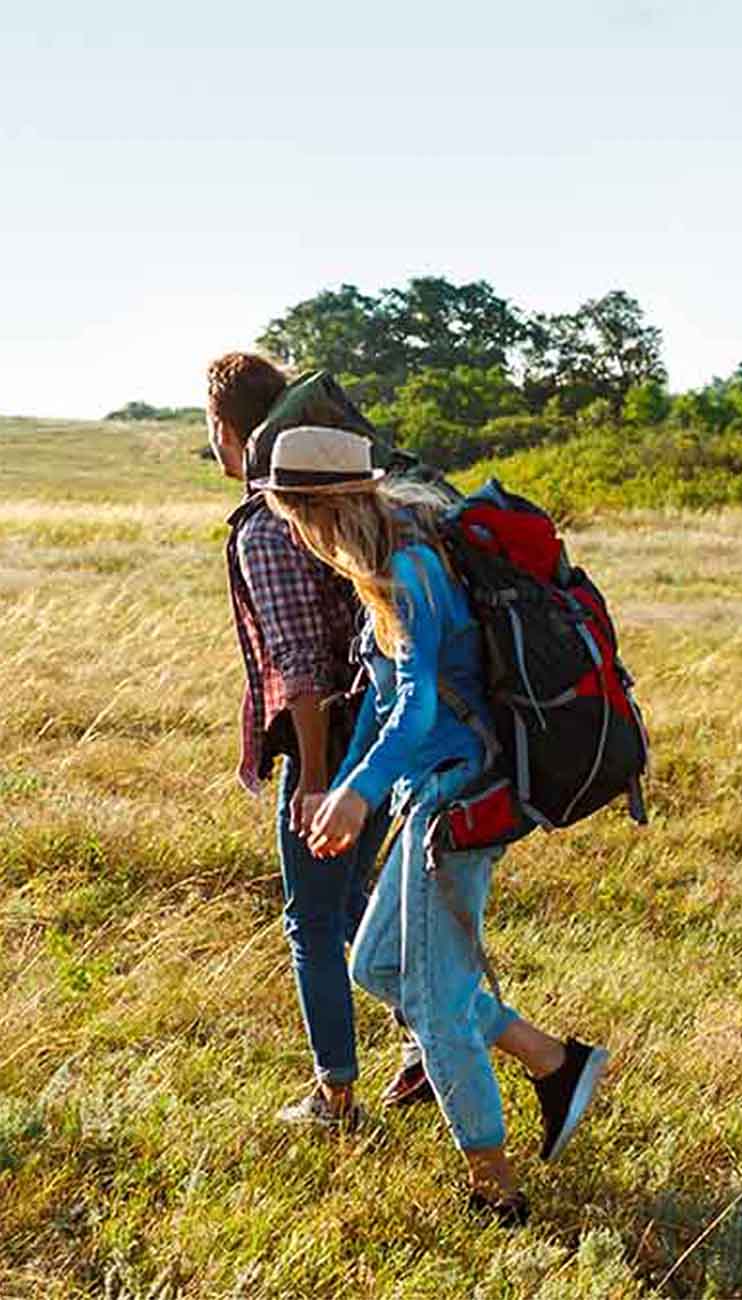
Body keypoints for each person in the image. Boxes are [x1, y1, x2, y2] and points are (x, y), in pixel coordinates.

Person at [257, 423, 608, 1224]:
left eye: (292, 518)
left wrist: (361, 793)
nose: (295, 536)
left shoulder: (409, 566)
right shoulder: (384, 559)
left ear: (319, 511)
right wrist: (343, 784)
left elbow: (417, 707)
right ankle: (551, 1060)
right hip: (432, 791)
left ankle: (496, 1189)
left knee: (435, 1003)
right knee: (377, 966)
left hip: (460, 795)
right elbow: (383, 699)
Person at [206, 353, 418, 1126]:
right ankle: (425, 1044)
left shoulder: (267, 527)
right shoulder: (336, 499)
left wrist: (316, 778)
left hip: (331, 744)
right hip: (384, 728)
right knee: (354, 902)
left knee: (312, 921)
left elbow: (302, 664)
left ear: (229, 430)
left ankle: (335, 1093)